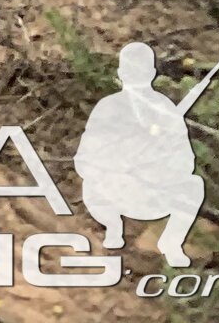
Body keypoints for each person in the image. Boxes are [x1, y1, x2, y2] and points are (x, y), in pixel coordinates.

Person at [75, 41, 209, 266]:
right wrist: (118, 166)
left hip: (153, 194)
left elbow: (186, 161)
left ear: (151, 73)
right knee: (90, 184)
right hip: (114, 191)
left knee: (194, 185)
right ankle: (114, 228)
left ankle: (171, 243)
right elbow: (84, 160)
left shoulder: (165, 110)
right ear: (121, 73)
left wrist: (160, 160)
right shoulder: (108, 108)